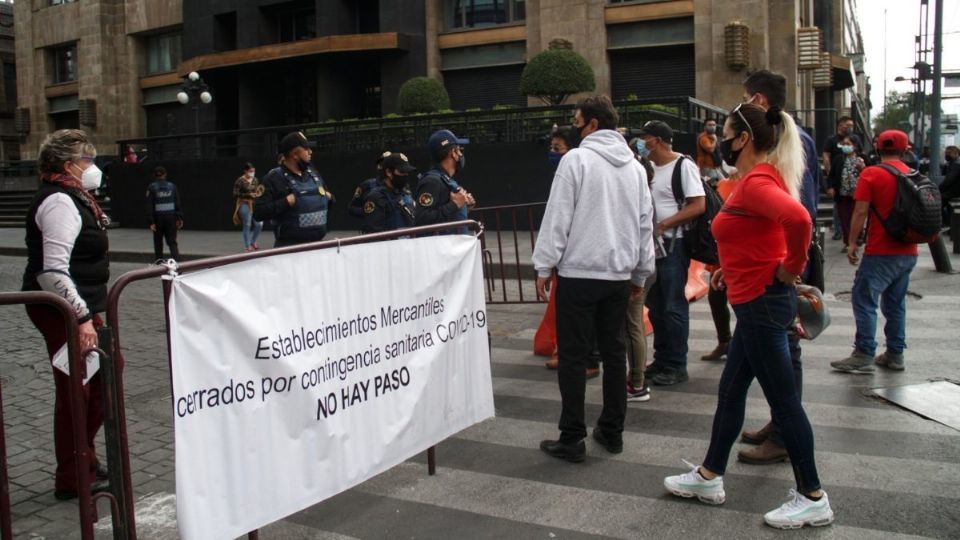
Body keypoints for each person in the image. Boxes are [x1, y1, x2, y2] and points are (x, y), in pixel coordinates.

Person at [664, 103, 834, 529]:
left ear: (742, 139)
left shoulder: (758, 182)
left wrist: (791, 268)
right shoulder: (758, 180)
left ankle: (813, 495)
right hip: (753, 300)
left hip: (761, 304)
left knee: (784, 404)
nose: (718, 138)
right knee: (731, 391)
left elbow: (797, 219)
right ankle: (709, 476)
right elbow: (756, 233)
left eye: (724, 132)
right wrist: (730, 268)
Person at [533, 95, 655, 462]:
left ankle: (572, 437)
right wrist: (641, 272)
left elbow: (558, 216)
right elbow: (644, 224)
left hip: (579, 273)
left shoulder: (576, 160)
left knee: (573, 356)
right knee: (614, 353)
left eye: (577, 120)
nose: (574, 126)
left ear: (593, 125)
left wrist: (544, 264)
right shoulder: (634, 168)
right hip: (618, 274)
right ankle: (612, 430)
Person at [736, 69, 823, 465]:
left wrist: (790, 267)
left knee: (786, 350)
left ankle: (787, 434)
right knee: (775, 350)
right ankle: (780, 423)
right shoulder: (793, 136)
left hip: (785, 262)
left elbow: (797, 212)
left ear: (758, 102)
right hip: (783, 260)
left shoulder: (790, 141)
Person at [21, 129, 111, 500]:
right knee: (77, 389)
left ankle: (84, 456)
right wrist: (82, 317)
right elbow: (52, 271)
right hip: (61, 308)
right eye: (87, 160)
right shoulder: (59, 202)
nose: (93, 167)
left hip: (81, 305)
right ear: (67, 165)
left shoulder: (78, 197)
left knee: (102, 378)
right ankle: (73, 475)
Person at [831, 130, 920, 374]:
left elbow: (860, 212)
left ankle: (864, 352)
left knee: (863, 298)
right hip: (909, 250)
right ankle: (895, 353)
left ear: (878, 148)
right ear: (904, 149)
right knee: (895, 303)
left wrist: (852, 242)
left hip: (881, 250)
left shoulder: (872, 174)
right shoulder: (912, 173)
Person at [639, 120, 706, 386]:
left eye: (645, 138)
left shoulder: (682, 165)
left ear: (657, 140)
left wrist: (664, 224)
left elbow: (698, 204)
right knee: (656, 307)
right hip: (653, 248)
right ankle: (662, 360)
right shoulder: (650, 168)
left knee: (673, 306)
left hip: (673, 246)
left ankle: (677, 364)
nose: (642, 143)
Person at [253, 131, 334, 247]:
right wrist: (285, 202)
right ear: (295, 154)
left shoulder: (313, 173)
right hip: (289, 249)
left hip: (317, 247)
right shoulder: (273, 178)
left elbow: (329, 198)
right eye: (306, 149)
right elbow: (258, 213)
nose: (310, 152)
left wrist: (330, 198)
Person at [625, 136, 657, 402]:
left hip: (638, 266)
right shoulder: (642, 178)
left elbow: (643, 233)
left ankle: (637, 382)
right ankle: (636, 380)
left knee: (632, 323)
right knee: (632, 322)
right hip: (642, 265)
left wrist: (638, 275)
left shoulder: (637, 186)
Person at [414, 129, 476, 231]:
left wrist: (463, 205)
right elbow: (422, 219)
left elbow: (445, 215)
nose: (461, 154)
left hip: (455, 244)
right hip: (444, 245)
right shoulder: (432, 181)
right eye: (459, 150)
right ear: (453, 153)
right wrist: (454, 205)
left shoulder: (444, 179)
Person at [361, 153, 417, 233]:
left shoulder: (406, 194)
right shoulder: (376, 197)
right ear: (389, 172)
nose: (405, 175)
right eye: (402, 172)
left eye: (407, 172)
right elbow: (374, 234)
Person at [827, 134, 866, 249]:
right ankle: (848, 242)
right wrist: (831, 187)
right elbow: (831, 176)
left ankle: (858, 235)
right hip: (842, 195)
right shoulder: (838, 159)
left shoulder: (862, 158)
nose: (845, 146)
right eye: (843, 144)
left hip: (858, 195)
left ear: (855, 145)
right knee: (844, 219)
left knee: (856, 217)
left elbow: (870, 174)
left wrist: (862, 168)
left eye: (848, 144)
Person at [823, 116, 854, 240]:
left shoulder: (853, 138)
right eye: (848, 125)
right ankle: (838, 230)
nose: (850, 128)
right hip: (838, 175)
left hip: (851, 176)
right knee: (838, 205)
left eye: (851, 125)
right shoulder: (831, 140)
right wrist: (830, 173)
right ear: (840, 125)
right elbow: (826, 156)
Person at [145, 166, 183, 261]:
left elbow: (149, 206)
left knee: (158, 243)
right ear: (165, 174)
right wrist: (179, 218)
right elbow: (177, 203)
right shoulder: (172, 186)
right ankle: (177, 263)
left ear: (154, 175)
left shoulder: (151, 188)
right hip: (171, 218)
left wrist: (151, 221)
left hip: (158, 219)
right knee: (172, 242)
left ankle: (159, 263)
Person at [348, 151, 391, 222]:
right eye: (383, 164)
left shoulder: (401, 187)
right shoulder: (368, 185)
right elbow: (352, 208)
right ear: (379, 166)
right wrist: (368, 212)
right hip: (375, 229)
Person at [233, 162, 263, 252]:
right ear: (245, 171)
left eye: (253, 171)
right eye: (250, 171)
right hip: (244, 203)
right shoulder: (240, 181)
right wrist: (248, 194)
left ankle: (253, 241)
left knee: (259, 224)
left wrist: (257, 194)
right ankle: (248, 245)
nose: (252, 173)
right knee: (247, 224)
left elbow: (257, 190)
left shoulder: (255, 180)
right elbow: (235, 193)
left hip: (254, 204)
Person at [696, 119, 725, 185]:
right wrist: (715, 140)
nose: (712, 127)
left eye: (714, 125)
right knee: (713, 187)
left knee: (723, 183)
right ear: (705, 127)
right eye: (710, 125)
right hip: (707, 168)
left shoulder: (712, 136)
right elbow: (710, 149)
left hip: (715, 168)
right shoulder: (703, 137)